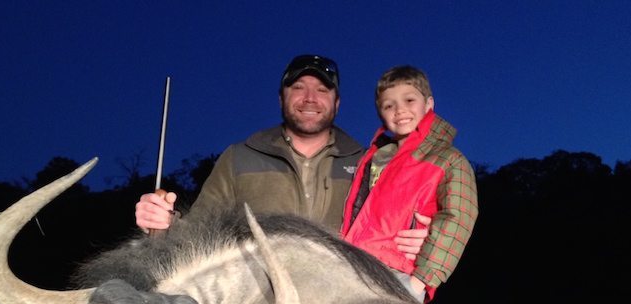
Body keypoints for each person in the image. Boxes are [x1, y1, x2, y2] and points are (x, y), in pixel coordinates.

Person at [135, 54, 429, 261]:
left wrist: (420, 238)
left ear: (336, 103)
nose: (310, 98)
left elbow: (394, 227)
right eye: (298, 88)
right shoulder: (239, 157)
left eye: (322, 90)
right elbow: (197, 234)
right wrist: (162, 223)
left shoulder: (371, 162)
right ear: (281, 98)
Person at [341, 65, 478, 303]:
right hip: (354, 268)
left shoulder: (449, 159)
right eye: (389, 105)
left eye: (409, 100)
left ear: (429, 104)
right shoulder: (373, 157)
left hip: (401, 275)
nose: (400, 110)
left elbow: (459, 218)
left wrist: (419, 281)